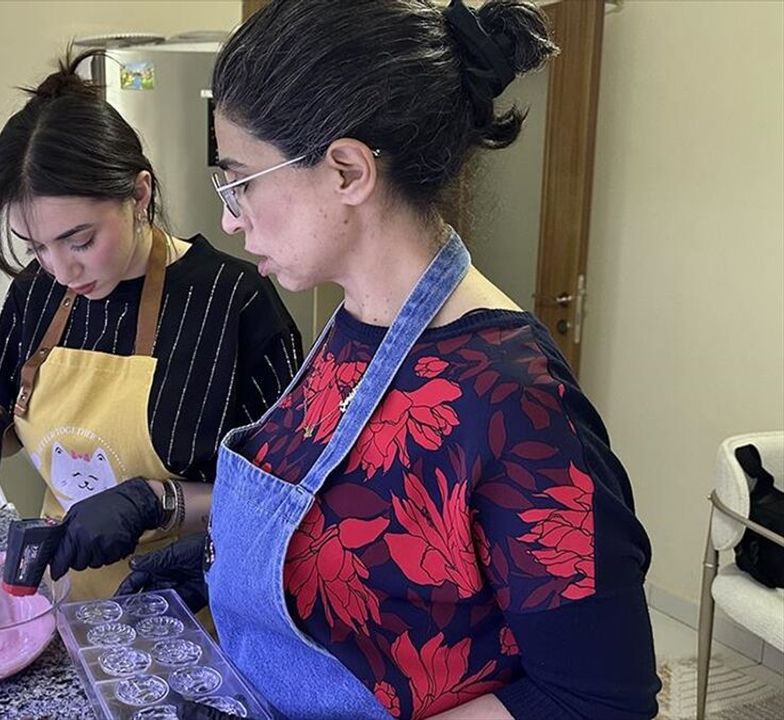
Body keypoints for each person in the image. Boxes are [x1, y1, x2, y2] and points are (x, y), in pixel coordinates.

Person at [117, 1, 660, 718]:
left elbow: (596, 700)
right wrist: (225, 558)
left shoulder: (513, 401)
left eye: (240, 180)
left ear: (347, 172)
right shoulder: (354, 326)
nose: (228, 217)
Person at [0, 50, 303, 602]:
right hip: (65, 603)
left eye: (81, 240)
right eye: (36, 247)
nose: (61, 270)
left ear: (139, 195)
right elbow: (4, 402)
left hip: (191, 614)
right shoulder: (36, 291)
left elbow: (287, 495)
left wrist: (158, 502)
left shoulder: (233, 301)